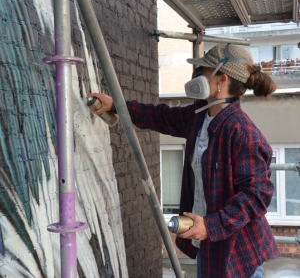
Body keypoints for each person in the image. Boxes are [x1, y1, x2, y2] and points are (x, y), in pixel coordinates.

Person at [88, 43, 281, 278]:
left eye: (203, 71)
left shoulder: (243, 133)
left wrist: (211, 226)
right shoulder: (199, 116)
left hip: (237, 254)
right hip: (207, 246)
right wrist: (117, 106)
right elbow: (160, 116)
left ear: (222, 80)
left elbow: (256, 196)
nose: (197, 76)